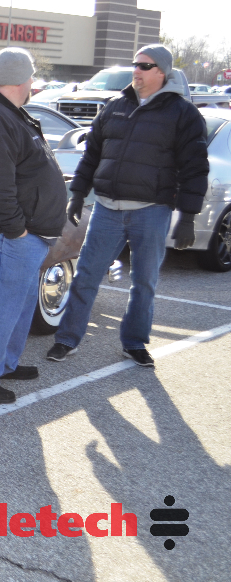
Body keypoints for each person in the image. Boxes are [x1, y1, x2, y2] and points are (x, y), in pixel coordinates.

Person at [46, 44, 208, 367]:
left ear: (162, 72)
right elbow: (92, 154)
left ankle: (134, 343)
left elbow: (195, 168)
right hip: (106, 209)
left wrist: (188, 216)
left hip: (152, 211)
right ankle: (66, 338)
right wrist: (77, 194)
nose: (136, 70)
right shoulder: (115, 106)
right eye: (135, 64)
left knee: (144, 283)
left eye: (144, 66)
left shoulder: (184, 114)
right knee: (86, 276)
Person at [0, 47, 67, 404]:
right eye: (32, 75)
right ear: (21, 78)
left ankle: (3, 363)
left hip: (20, 235)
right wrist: (17, 229)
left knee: (16, 305)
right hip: (6, 236)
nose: (33, 82)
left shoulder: (9, 114)